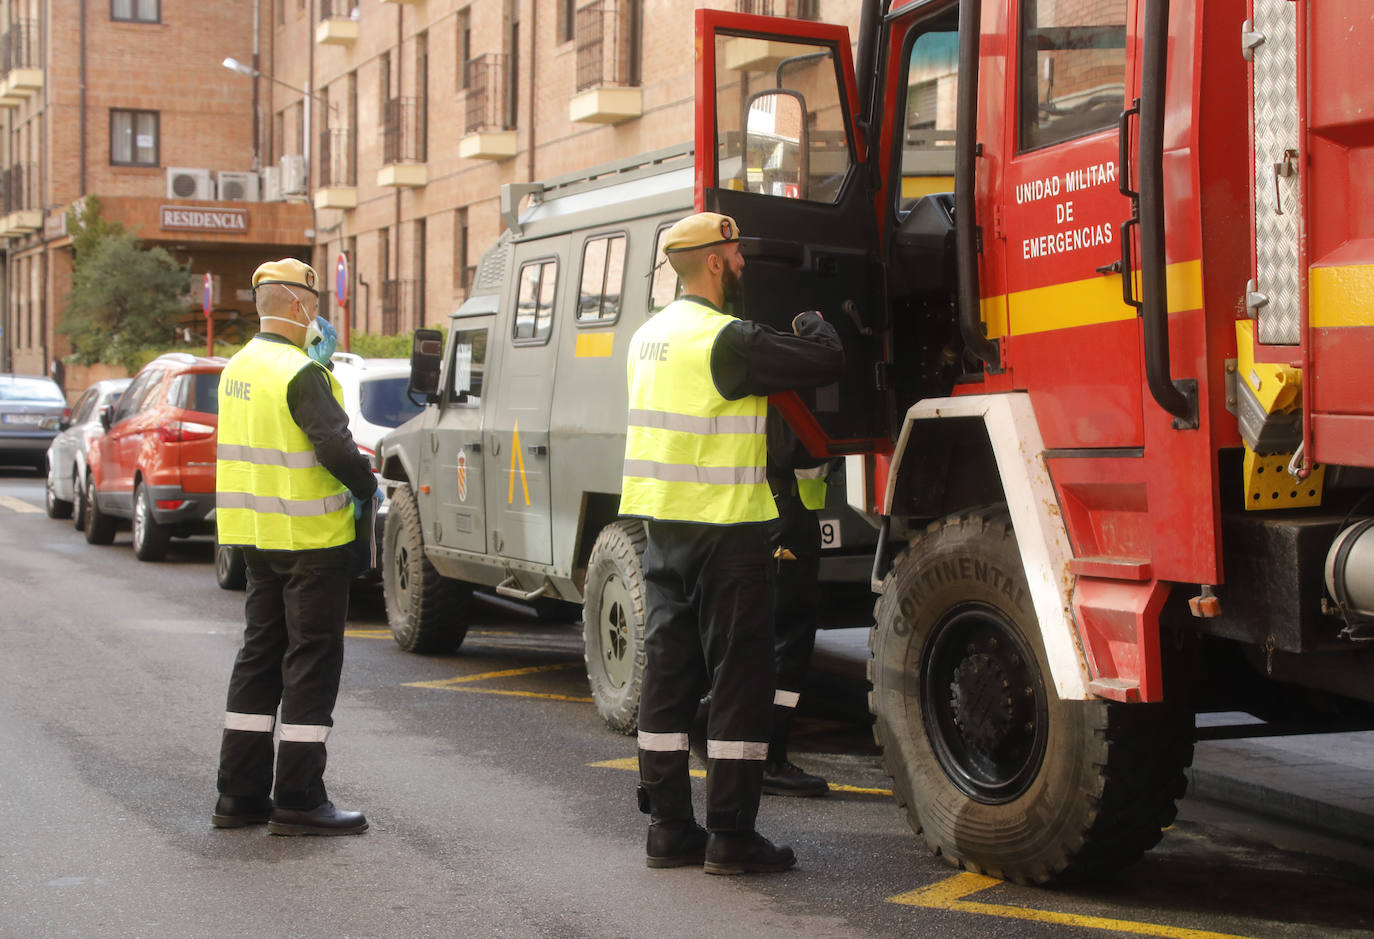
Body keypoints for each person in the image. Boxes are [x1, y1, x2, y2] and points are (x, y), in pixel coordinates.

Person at [621, 212, 845, 875]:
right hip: (729, 534)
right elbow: (825, 360)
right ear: (715, 262)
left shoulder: (647, 338)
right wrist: (813, 325)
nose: (743, 262)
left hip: (661, 531)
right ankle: (731, 835)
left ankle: (668, 827)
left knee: (666, 678)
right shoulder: (729, 340)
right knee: (741, 680)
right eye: (738, 252)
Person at [211, 259, 378, 836]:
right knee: (309, 662)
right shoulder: (301, 372)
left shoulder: (237, 367)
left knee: (258, 659)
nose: (318, 312)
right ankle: (300, 799)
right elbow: (334, 447)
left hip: (258, 539)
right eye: (314, 301)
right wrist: (366, 484)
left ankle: (239, 794)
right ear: (298, 305)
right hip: (313, 540)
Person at [762, 411, 837, 797]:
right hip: (785, 514)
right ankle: (769, 761)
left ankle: (756, 754)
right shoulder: (782, 374)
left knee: (776, 634)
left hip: (782, 511)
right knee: (787, 640)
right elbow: (789, 445)